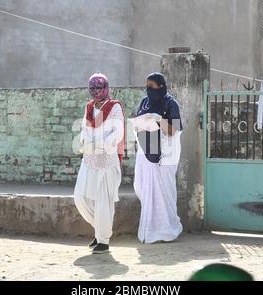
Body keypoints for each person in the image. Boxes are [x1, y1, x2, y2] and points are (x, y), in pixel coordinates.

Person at [74, 73, 125, 254]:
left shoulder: (114, 107)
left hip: (106, 160)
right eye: (92, 88)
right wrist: (84, 143)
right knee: (81, 197)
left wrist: (99, 145)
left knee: (103, 200)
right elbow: (84, 129)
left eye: (99, 87)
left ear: (106, 88)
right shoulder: (89, 107)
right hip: (89, 158)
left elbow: (117, 134)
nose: (95, 91)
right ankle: (99, 229)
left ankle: (103, 240)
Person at [133, 72, 184, 244]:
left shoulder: (171, 104)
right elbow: (138, 122)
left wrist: (159, 120)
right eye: (146, 86)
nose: (148, 90)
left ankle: (168, 230)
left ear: (161, 86)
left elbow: (174, 131)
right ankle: (150, 229)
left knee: (164, 193)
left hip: (164, 156)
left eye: (152, 86)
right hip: (145, 152)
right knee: (143, 187)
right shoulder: (145, 102)